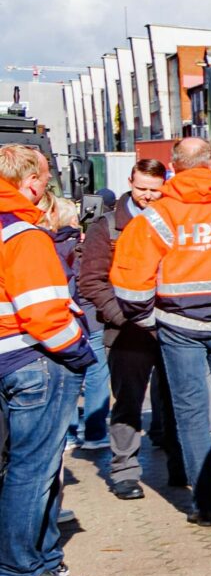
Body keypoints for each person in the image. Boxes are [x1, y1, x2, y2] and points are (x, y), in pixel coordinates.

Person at [109, 137, 211, 525]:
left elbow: (130, 282)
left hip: (178, 326)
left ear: (174, 168)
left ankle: (206, 505)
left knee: (190, 412)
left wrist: (149, 321)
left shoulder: (157, 215)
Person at [0, 145, 95, 576]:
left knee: (16, 466)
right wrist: (78, 352)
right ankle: (21, 566)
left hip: (6, 356)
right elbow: (44, 315)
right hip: (33, 360)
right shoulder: (23, 234)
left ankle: (31, 558)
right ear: (32, 183)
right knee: (33, 469)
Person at [76, 158, 178, 500]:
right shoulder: (107, 226)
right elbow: (90, 280)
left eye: (155, 190)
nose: (148, 196)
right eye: (142, 189)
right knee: (129, 401)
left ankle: (179, 464)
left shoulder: (175, 219)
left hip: (170, 326)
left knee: (176, 398)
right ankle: (125, 469)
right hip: (127, 331)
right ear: (131, 183)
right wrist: (120, 315)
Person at [48, 195, 109, 457]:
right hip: (90, 317)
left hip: (62, 321)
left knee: (67, 374)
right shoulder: (82, 246)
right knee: (96, 374)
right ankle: (95, 434)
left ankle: (69, 433)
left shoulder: (44, 246)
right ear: (72, 219)